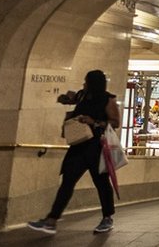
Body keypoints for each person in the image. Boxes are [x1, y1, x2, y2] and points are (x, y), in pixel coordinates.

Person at [27, 70, 120, 235]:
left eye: (86, 81)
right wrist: (64, 99)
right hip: (78, 146)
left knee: (102, 183)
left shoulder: (108, 100)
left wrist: (95, 122)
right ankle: (51, 220)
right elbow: (69, 100)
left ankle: (107, 218)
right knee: (67, 182)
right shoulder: (83, 95)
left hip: (95, 147)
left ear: (94, 83)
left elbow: (115, 122)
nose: (84, 84)